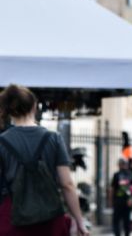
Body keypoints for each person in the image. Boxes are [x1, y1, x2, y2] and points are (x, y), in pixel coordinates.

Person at [0, 84, 89, 236]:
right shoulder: (53, 138)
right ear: (34, 106)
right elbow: (67, 184)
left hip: (11, 218)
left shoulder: (1, 142)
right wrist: (79, 220)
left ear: (8, 111)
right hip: (49, 218)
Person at [112, 157, 132, 236]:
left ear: (119, 165)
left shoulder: (116, 175)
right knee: (126, 221)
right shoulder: (131, 175)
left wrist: (111, 201)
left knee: (116, 221)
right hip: (128, 202)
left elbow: (112, 189)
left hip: (118, 202)